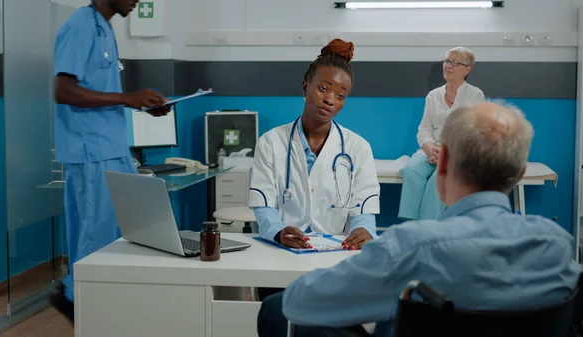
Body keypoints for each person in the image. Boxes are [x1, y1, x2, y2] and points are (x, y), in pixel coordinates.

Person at [257, 101, 582, 337]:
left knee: (277, 307)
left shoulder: (412, 246)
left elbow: (299, 302)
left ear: (442, 167)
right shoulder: (557, 245)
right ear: (520, 175)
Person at [47, 0, 172, 323]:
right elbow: (63, 90)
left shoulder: (104, 29)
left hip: (113, 150)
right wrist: (126, 98)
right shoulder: (80, 26)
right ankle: (82, 307)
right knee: (94, 243)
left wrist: (138, 105)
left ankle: (96, 308)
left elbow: (99, 93)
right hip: (91, 153)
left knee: (116, 238)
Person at [248, 39, 380, 300]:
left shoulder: (358, 148)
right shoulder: (271, 142)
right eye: (323, 88)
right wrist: (278, 231)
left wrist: (364, 231)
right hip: (280, 255)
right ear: (305, 86)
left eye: (340, 95)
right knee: (277, 313)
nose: (330, 99)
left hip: (335, 260)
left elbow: (363, 210)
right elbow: (263, 206)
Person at [398, 47, 485, 220]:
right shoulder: (434, 95)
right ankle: (409, 225)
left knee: (438, 179)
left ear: (467, 69)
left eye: (455, 62)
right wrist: (430, 148)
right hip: (432, 150)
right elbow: (424, 130)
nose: (448, 66)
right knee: (411, 170)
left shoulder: (475, 95)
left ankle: (427, 230)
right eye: (446, 61)